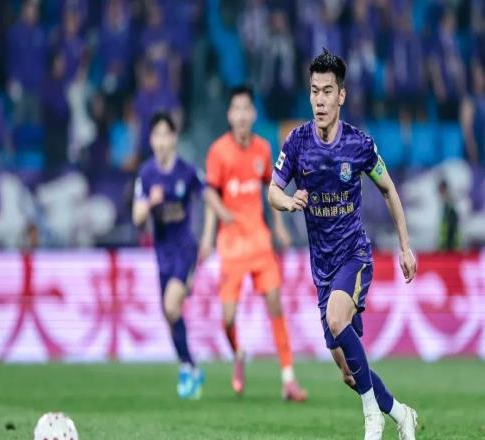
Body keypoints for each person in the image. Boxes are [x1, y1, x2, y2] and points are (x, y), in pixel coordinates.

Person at [268, 49, 418, 439]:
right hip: (322, 268)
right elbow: (272, 191)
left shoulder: (359, 145)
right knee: (350, 373)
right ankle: (401, 413)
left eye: (327, 91)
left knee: (337, 320)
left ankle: (372, 418)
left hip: (354, 255)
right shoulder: (297, 142)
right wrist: (288, 202)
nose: (319, 100)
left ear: (341, 96)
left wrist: (404, 247)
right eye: (314, 91)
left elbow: (389, 189)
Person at [202, 85, 307, 402]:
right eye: (236, 109)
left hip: (259, 240)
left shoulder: (262, 149)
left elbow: (272, 190)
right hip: (231, 244)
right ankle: (238, 353)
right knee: (228, 318)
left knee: (275, 302)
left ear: (253, 113)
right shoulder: (218, 152)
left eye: (246, 109)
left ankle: (288, 379)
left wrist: (280, 226)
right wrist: (211, 230)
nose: (242, 115)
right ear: (229, 115)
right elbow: (209, 192)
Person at [133, 112, 220, 399]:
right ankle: (191, 365)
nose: (160, 141)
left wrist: (207, 236)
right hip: (162, 254)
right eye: (155, 135)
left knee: (171, 306)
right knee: (170, 314)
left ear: (173, 138)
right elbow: (137, 217)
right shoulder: (146, 174)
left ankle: (186, 368)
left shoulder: (187, 171)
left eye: (165, 135)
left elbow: (210, 198)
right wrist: (150, 202)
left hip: (185, 248)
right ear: (151, 140)